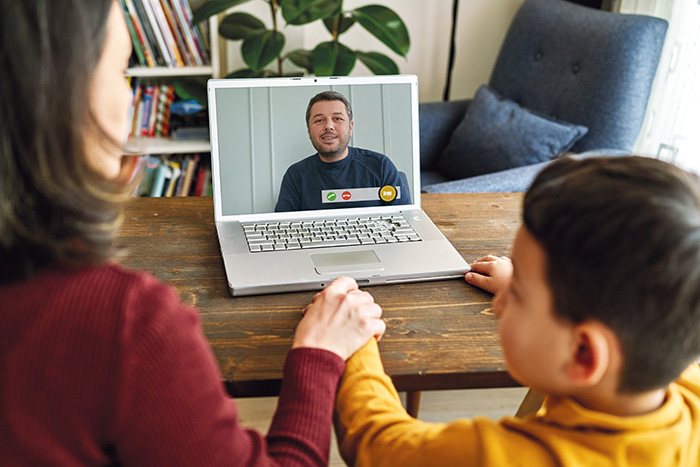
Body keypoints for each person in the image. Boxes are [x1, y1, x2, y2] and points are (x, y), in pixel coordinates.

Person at [0, 2, 385, 465]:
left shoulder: (380, 166)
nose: (129, 101)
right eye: (123, 72)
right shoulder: (128, 324)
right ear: (56, 95)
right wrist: (318, 352)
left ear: (350, 124)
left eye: (337, 118)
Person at [334, 155, 700, 466]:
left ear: (584, 353)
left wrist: (354, 344)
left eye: (517, 296)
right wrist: (522, 283)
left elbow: (377, 443)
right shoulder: (676, 380)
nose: (499, 303)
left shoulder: (496, 456)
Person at [274, 91, 411, 212]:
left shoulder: (380, 166)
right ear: (309, 131)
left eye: (337, 119)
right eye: (319, 120)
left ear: (350, 127)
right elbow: (285, 227)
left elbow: (404, 220)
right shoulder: (295, 175)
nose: (328, 126)